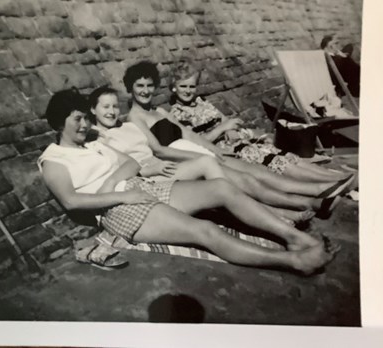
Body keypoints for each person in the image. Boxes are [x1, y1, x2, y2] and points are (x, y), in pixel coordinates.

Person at [38, 88, 339, 275]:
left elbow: (130, 163)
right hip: (118, 209)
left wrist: (113, 182)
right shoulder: (53, 159)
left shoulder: (93, 144)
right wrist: (118, 196)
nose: (84, 125)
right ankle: (295, 262)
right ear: (58, 122)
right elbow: (71, 201)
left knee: (222, 188)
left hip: (136, 187)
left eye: (84, 119)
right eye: (77, 119)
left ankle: (299, 239)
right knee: (204, 230)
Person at [123, 61, 354, 213]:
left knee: (257, 173)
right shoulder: (135, 117)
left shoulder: (160, 111)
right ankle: (312, 196)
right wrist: (203, 155)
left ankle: (318, 194)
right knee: (247, 181)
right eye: (140, 86)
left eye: (149, 85)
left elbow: (189, 134)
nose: (145, 90)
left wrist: (214, 150)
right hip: (185, 160)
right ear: (130, 88)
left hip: (200, 152)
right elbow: (159, 150)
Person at [88, 85, 318, 223]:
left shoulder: (127, 126)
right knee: (217, 171)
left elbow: (157, 149)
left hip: (162, 165)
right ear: (93, 110)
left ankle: (279, 209)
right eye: (105, 107)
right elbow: (121, 168)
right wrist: (150, 168)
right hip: (147, 176)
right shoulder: (99, 138)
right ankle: (278, 213)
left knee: (212, 165)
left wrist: (194, 156)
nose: (111, 111)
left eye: (114, 106)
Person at [168, 63, 351, 180]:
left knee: (280, 153)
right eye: (183, 86)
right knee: (270, 159)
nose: (188, 90)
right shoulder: (178, 113)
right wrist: (223, 128)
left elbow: (222, 118)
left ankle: (335, 177)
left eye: (191, 86)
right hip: (222, 149)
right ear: (173, 88)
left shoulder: (201, 101)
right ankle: (328, 181)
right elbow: (195, 142)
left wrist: (228, 127)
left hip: (234, 139)